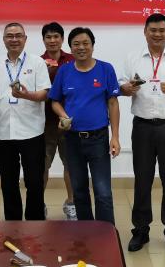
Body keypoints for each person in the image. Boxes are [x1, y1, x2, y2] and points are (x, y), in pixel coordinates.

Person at [120, 13, 165, 258]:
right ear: (145, 32)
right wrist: (127, 88)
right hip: (142, 127)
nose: (157, 34)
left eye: (162, 30)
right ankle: (140, 230)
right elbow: (122, 86)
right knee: (142, 180)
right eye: (153, 30)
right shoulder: (132, 57)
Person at [49, 27, 121, 223]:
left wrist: (115, 137)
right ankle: (86, 232)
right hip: (72, 139)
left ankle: (106, 233)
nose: (81, 47)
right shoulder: (64, 71)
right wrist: (63, 116)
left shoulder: (106, 69)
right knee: (79, 190)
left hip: (98, 138)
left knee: (103, 191)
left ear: (92, 46)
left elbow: (113, 103)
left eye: (85, 43)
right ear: (70, 47)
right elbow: (55, 101)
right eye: (76, 44)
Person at [0, 23, 52, 220]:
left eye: (18, 35)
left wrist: (26, 95)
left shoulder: (37, 63)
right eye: (10, 36)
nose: (14, 39)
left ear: (25, 39)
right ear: (3, 39)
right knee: (8, 183)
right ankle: (13, 225)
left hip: (32, 132)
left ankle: (35, 224)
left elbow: (45, 94)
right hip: (3, 133)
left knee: (34, 182)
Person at [41, 22, 77, 220]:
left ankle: (71, 203)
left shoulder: (73, 60)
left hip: (70, 123)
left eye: (56, 36)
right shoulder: (36, 63)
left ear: (62, 39)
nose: (52, 40)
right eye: (48, 37)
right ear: (43, 40)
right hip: (43, 123)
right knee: (41, 166)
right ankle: (38, 204)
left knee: (71, 166)